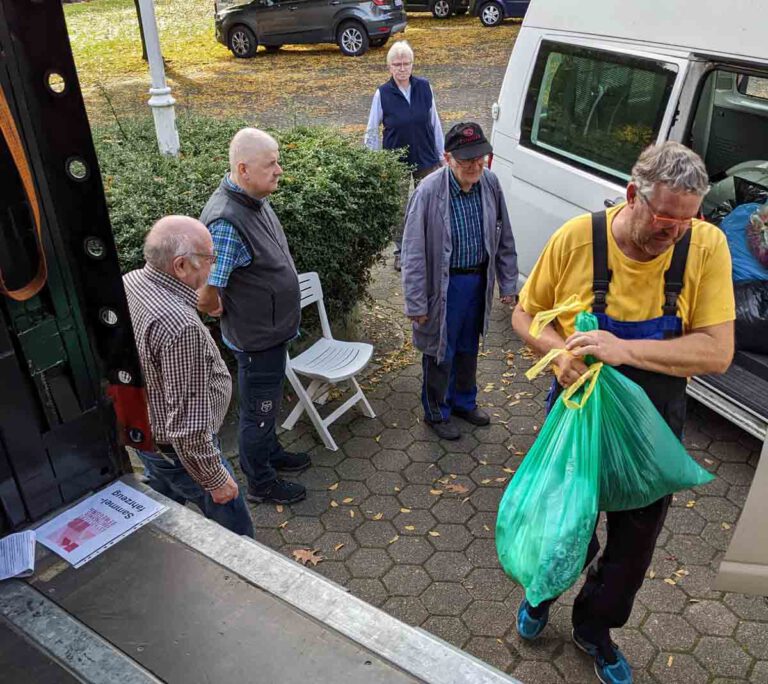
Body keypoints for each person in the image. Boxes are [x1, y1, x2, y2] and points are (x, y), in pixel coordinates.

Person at [511, 142, 735, 684]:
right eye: (664, 217)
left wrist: (624, 349)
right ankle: (542, 594)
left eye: (688, 218)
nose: (675, 230)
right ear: (633, 195)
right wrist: (560, 352)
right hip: (580, 415)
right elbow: (525, 314)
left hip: (652, 427)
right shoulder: (578, 238)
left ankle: (595, 629)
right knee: (566, 527)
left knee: (633, 549)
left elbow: (717, 352)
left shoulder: (705, 246)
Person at [197, 128, 309, 506]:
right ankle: (261, 483)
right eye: (271, 164)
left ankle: (270, 453)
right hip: (257, 339)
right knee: (258, 412)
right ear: (243, 169)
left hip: (271, 330)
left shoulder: (252, 199)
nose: (279, 169)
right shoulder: (227, 220)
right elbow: (206, 290)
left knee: (268, 403)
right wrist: (215, 305)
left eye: (277, 160)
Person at [123, 216, 254, 537]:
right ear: (181, 266)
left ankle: (156, 540)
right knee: (235, 526)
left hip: (147, 434)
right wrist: (214, 479)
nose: (214, 265)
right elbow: (188, 425)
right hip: (182, 453)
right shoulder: (179, 327)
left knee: (164, 493)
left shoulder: (131, 281)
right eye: (210, 259)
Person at [401, 122, 518, 441]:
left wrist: (508, 284)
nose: (475, 165)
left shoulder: (489, 183)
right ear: (447, 157)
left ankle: (465, 402)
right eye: (467, 160)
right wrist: (416, 302)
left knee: (469, 345)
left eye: (480, 157)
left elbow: (504, 235)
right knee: (441, 350)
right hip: (443, 287)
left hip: (478, 282)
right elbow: (412, 251)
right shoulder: (428, 191)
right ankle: (437, 411)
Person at [364, 40, 445, 271]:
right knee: (398, 208)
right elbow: (371, 131)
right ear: (389, 67)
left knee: (428, 203)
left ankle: (428, 248)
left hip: (426, 156)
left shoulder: (424, 87)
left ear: (412, 64)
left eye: (406, 63)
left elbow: (434, 122)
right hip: (395, 160)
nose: (402, 68)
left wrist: (441, 155)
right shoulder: (382, 93)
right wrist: (377, 163)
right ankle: (401, 250)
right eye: (397, 64)